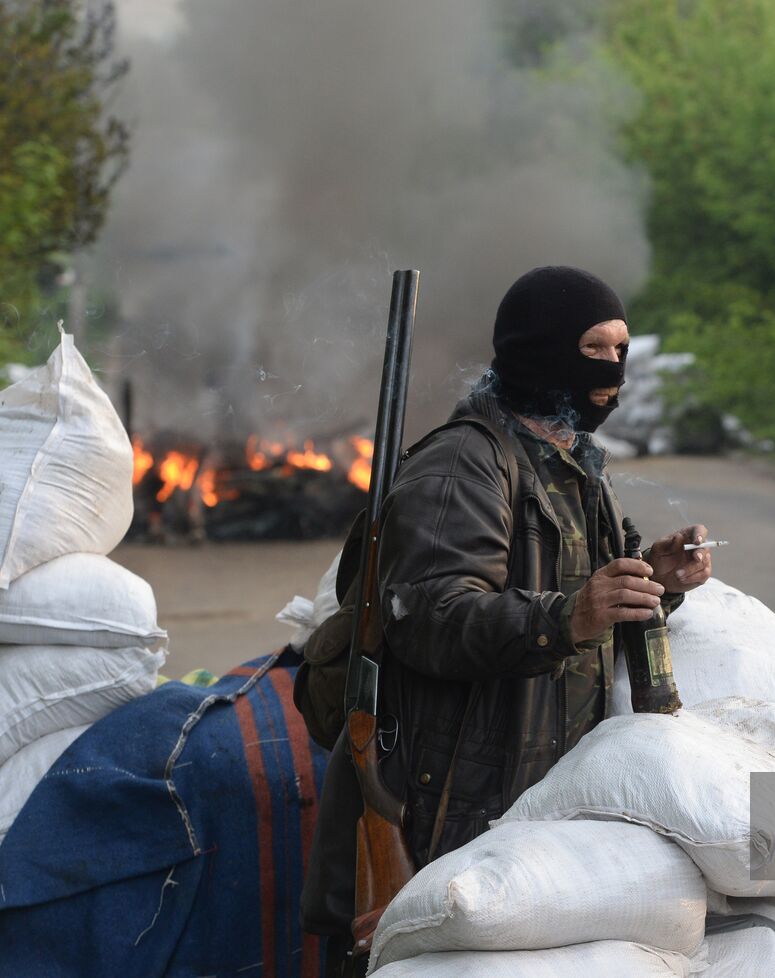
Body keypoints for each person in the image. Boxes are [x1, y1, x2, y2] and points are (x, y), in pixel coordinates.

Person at [301, 265, 713, 973]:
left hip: (519, 815)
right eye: (594, 349)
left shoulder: (570, 466)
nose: (613, 366)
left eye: (622, 348)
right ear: (537, 351)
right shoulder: (464, 466)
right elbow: (426, 615)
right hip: (444, 814)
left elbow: (583, 606)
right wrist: (566, 618)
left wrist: (659, 584)